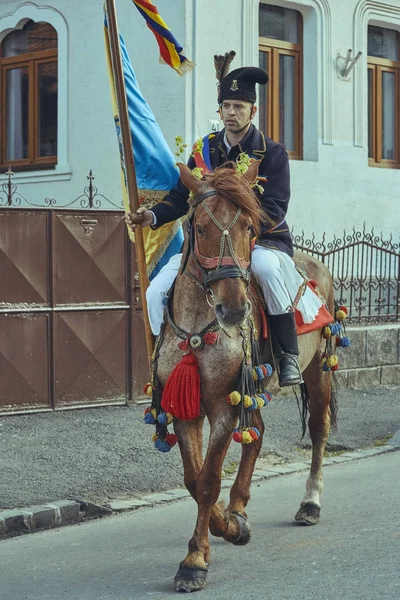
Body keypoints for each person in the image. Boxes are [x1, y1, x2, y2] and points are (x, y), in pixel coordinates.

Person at [126, 63, 322, 387]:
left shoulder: (272, 153)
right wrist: (152, 216)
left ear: (252, 110)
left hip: (261, 241)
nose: (232, 112)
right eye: (227, 106)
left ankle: (286, 355)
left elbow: (275, 207)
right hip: (207, 244)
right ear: (220, 109)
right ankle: (164, 361)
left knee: (270, 272)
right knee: (155, 290)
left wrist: (236, 228)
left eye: (239, 107)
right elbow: (180, 195)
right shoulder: (203, 149)